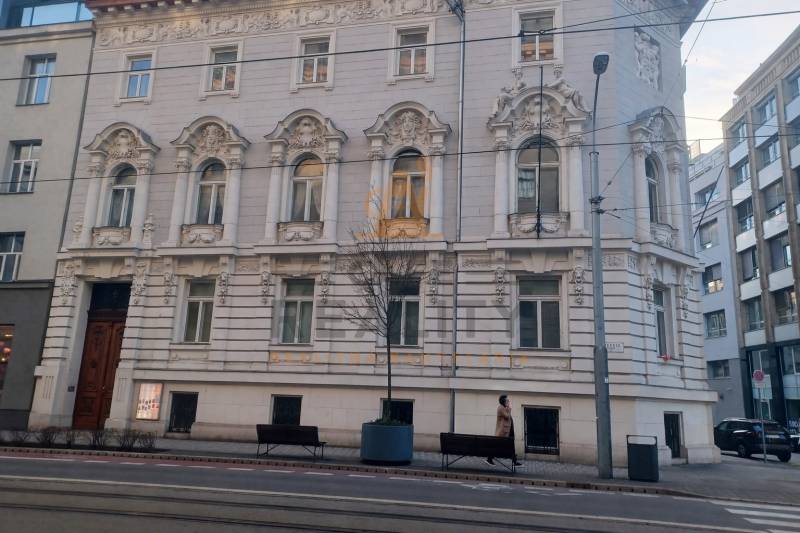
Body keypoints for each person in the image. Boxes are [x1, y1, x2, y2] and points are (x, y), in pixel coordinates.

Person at [486, 394, 523, 467]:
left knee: (511, 447)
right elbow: (507, 416)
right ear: (503, 401)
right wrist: (509, 408)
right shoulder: (501, 408)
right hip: (503, 432)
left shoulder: (504, 407)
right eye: (507, 400)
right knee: (498, 447)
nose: (508, 401)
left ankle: (514, 462)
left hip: (508, 431)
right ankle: (489, 459)